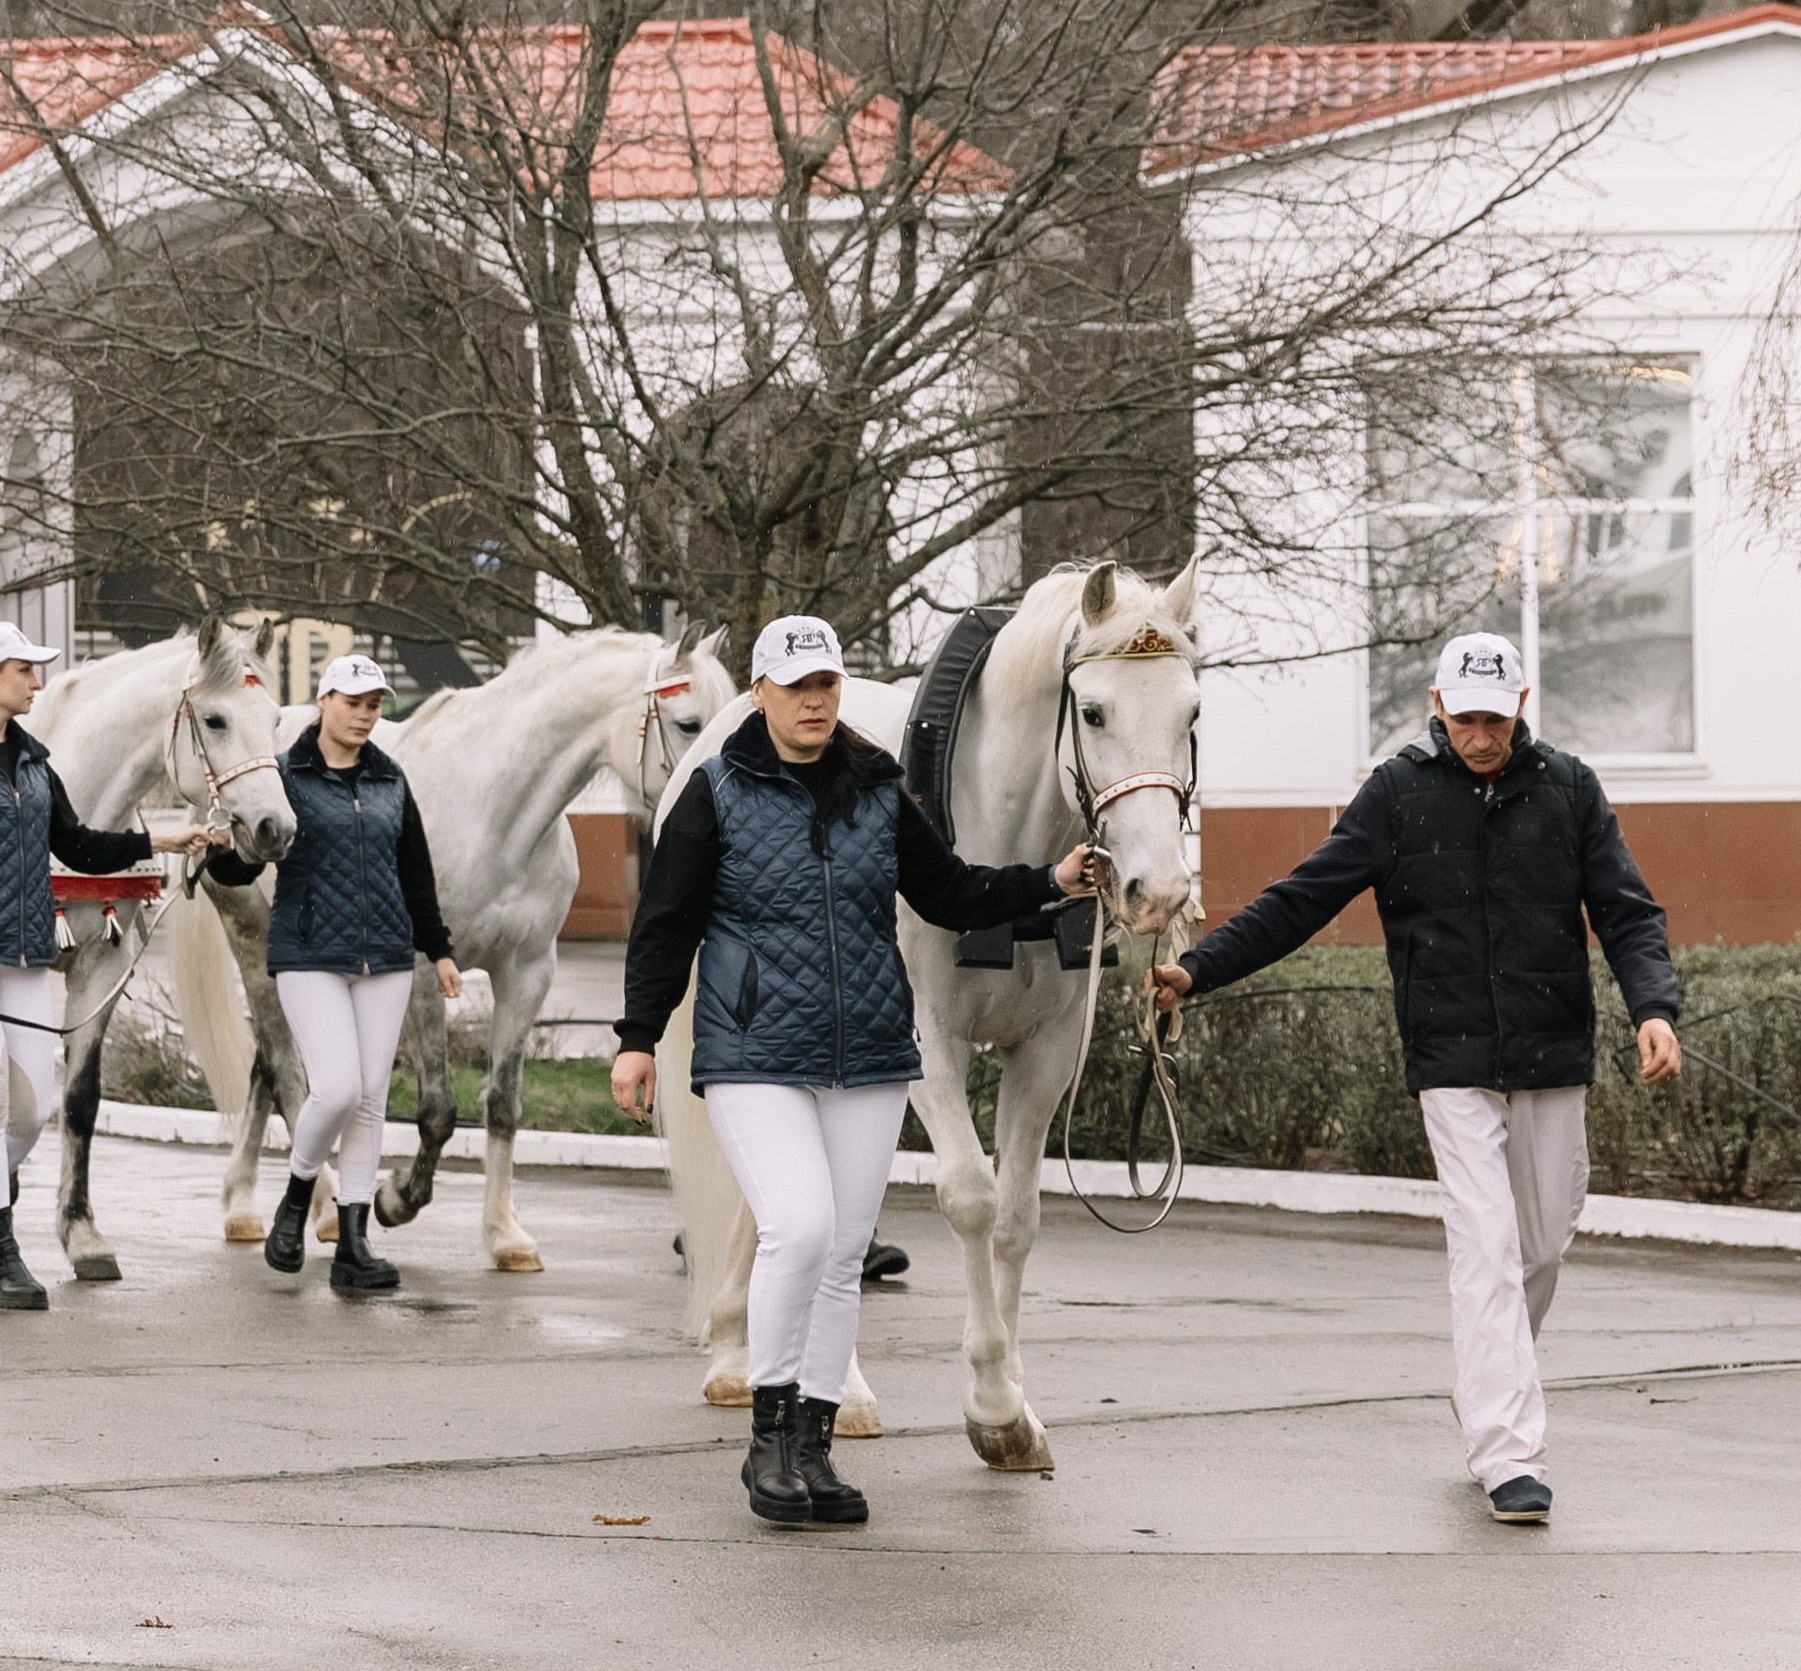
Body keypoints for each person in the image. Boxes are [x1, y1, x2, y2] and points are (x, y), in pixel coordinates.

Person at [1148, 629, 1681, 1524]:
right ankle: (1509, 1454)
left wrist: (1653, 1008)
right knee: (1483, 1246)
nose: (1480, 734)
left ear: (1519, 707)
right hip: (1450, 1057)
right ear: (1435, 707)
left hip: (1552, 1050)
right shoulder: (1397, 795)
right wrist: (1197, 969)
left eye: (1495, 717)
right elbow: (1301, 896)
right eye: (1463, 717)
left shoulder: (1569, 789)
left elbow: (1625, 909)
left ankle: (1486, 1387)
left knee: (1540, 1248)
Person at [612, 614, 1098, 1530]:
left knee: (839, 1256)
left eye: (826, 685)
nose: (813, 701)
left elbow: (949, 893)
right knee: (797, 1228)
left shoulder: (879, 787)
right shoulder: (714, 790)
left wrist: (1047, 881)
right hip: (755, 1050)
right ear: (760, 693)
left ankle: (813, 1450)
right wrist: (638, 1037)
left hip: (870, 1054)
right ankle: (766, 1441)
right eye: (795, 687)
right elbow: (665, 922)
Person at [0, 621, 206, 1310]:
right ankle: (3, 1254)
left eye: (35, 671)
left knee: (36, 1109)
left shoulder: (34, 761)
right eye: (23, 670)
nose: (36, 682)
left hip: (27, 947)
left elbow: (78, 845)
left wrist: (159, 838)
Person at [203, 651, 462, 1293]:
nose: (365, 715)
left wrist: (440, 950)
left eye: (374, 705)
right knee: (339, 1088)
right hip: (309, 952)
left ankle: (353, 1243)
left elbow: (415, 872)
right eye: (353, 703)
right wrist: (223, 851)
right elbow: (243, 866)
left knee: (371, 1099)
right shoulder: (285, 774)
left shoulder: (390, 780)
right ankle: (296, 1195)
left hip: (386, 959)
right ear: (323, 703)